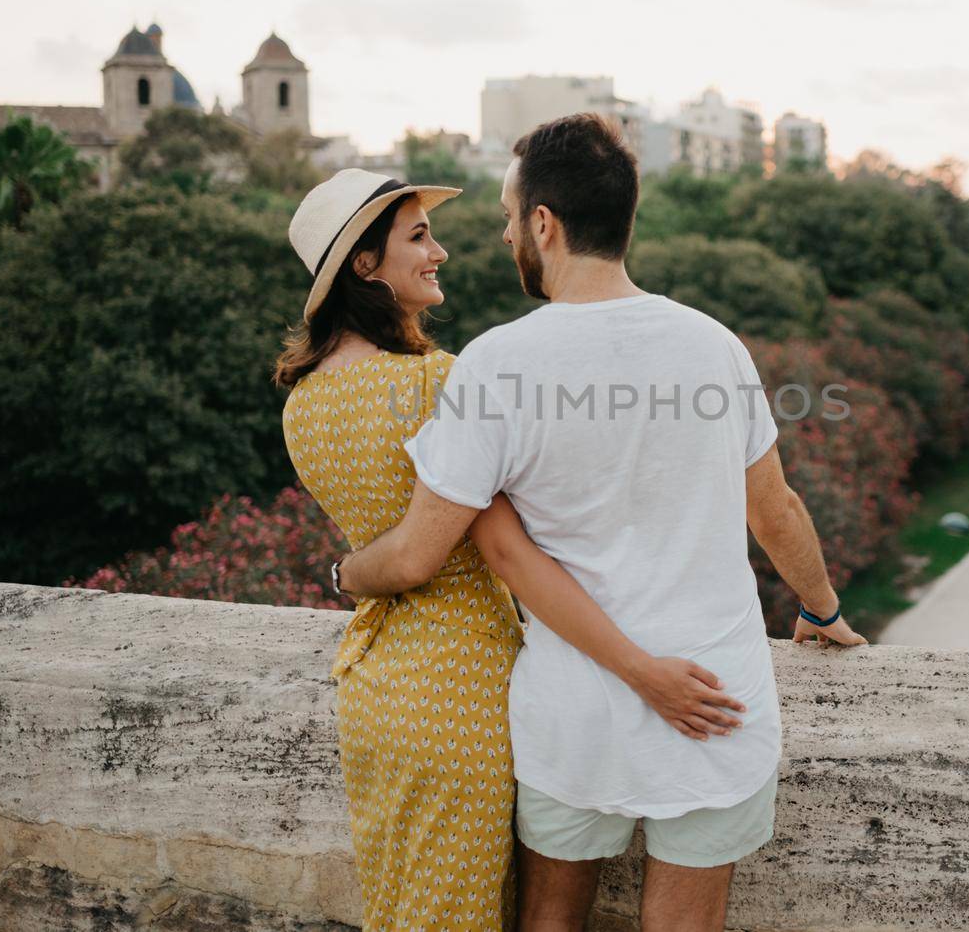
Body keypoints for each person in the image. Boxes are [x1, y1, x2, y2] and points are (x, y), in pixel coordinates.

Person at [334, 115, 867, 932]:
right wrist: (822, 606)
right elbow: (776, 510)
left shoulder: (497, 365)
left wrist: (344, 574)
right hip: (714, 703)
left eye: (513, 217)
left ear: (544, 223)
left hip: (575, 717)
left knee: (550, 921)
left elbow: (415, 556)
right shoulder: (714, 346)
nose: (507, 232)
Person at [275, 169, 740, 931]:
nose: (442, 251)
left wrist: (343, 572)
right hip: (461, 681)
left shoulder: (302, 403)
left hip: (375, 686)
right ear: (364, 266)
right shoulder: (439, 382)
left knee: (408, 907)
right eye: (418, 236)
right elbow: (467, 548)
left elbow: (381, 543)